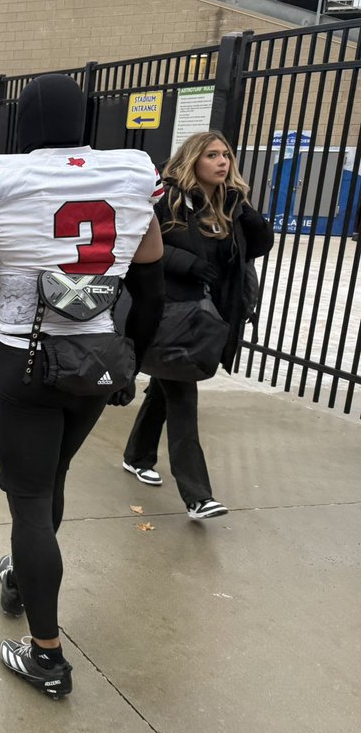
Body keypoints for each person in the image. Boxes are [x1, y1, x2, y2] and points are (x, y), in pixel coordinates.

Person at [0, 74, 166, 699]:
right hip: (95, 361)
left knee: (29, 499)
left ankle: (46, 654)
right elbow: (153, 285)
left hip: (24, 360)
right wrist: (128, 364)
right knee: (50, 481)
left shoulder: (0, 177)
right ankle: (22, 579)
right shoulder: (133, 172)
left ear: (25, 122)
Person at [122, 130, 274, 518]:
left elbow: (257, 247)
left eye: (226, 155)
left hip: (212, 310)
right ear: (193, 160)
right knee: (183, 394)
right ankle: (197, 495)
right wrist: (186, 263)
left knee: (167, 384)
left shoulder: (229, 201)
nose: (222, 162)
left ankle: (137, 455)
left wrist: (247, 209)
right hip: (174, 310)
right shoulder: (170, 197)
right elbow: (140, 242)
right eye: (212, 155)